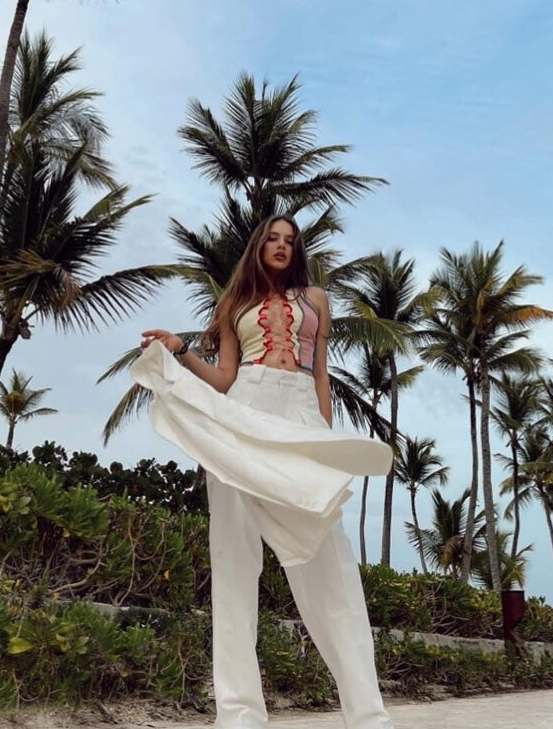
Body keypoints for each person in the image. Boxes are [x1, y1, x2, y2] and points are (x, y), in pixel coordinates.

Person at [133, 214, 395, 729]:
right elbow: (224, 379)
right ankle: (239, 716)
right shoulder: (235, 302)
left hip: (299, 414)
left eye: (290, 241)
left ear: (298, 250)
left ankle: (369, 717)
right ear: (258, 246)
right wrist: (181, 350)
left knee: (332, 565)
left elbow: (321, 374)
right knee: (233, 562)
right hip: (244, 410)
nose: (281, 246)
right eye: (273, 238)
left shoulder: (316, 299)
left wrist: (324, 438)